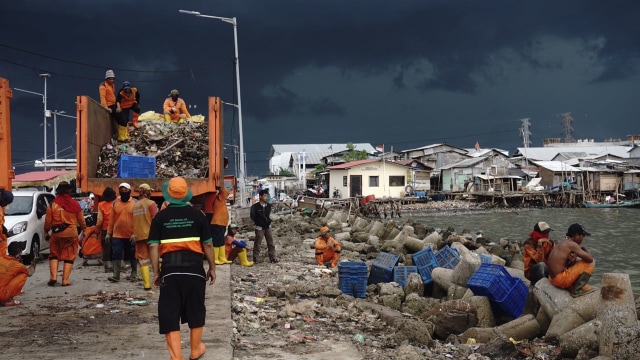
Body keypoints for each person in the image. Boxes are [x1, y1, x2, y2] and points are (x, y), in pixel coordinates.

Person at [148, 176, 215, 360]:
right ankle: (195, 350)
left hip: (170, 270)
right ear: (186, 195)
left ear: (168, 195)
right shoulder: (198, 216)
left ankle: (176, 356)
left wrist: (156, 272)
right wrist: (212, 268)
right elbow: (208, 245)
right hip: (194, 269)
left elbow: (153, 246)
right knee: (196, 308)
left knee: (169, 311)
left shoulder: (160, 217)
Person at [44, 181, 87, 286]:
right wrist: (84, 229)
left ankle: (53, 277)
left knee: (54, 254)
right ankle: (65, 280)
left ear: (58, 191)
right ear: (69, 191)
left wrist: (46, 231)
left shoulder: (52, 204)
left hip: (56, 234)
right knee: (69, 256)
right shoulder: (75, 204)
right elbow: (81, 220)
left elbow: (48, 222)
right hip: (71, 234)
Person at [547, 223, 596, 297]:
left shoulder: (562, 243)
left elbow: (563, 265)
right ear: (576, 236)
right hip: (560, 280)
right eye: (582, 236)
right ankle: (577, 290)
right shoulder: (572, 244)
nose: (583, 239)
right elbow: (590, 259)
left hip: (551, 279)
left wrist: (572, 261)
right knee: (591, 263)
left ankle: (572, 286)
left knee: (577, 261)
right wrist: (586, 250)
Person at [105, 183, 136, 283]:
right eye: (121, 190)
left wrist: (136, 233)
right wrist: (108, 233)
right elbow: (111, 220)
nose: (123, 192)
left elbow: (139, 220)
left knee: (132, 254)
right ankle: (116, 275)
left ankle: (134, 273)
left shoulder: (135, 203)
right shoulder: (115, 203)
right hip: (117, 235)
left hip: (131, 235)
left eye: (125, 190)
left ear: (129, 191)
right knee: (116, 253)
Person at [131, 184, 158, 290]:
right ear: (147, 192)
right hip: (151, 235)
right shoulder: (151, 203)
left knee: (143, 260)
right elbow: (155, 220)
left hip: (139, 235)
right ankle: (160, 281)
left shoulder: (135, 205)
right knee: (158, 258)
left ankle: (147, 284)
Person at [0, 241, 36, 306]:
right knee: (23, 274)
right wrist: (33, 264)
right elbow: (29, 273)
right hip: (2, 295)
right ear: (19, 253)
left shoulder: (1, 258)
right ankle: (8, 300)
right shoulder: (18, 265)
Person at [250, 189, 278, 264]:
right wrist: (258, 222)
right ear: (260, 196)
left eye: (267, 196)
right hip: (259, 228)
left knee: (271, 243)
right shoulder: (255, 207)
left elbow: (268, 215)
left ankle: (273, 258)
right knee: (257, 244)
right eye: (265, 196)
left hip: (268, 227)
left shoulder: (268, 206)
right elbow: (253, 216)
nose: (266, 197)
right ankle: (255, 259)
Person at [99, 69, 128, 140]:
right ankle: (121, 137)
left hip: (114, 104)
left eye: (113, 79)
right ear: (107, 79)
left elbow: (112, 95)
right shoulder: (103, 86)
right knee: (122, 119)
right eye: (110, 79)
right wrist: (106, 107)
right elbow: (102, 97)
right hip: (109, 106)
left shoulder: (112, 86)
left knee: (125, 118)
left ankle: (124, 136)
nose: (112, 80)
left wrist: (118, 106)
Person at [96, 187, 117, 272]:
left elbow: (100, 220)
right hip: (116, 229)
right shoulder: (117, 203)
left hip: (105, 229)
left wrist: (97, 230)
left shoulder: (101, 205)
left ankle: (107, 267)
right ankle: (118, 266)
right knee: (116, 247)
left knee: (106, 248)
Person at [210, 186, 231, 265]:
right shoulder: (219, 199)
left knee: (221, 241)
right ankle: (215, 258)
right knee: (217, 241)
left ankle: (221, 257)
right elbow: (225, 192)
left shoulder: (221, 200)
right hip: (217, 223)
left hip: (221, 223)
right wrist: (220, 186)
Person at [0, 189, 14, 255]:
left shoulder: (1, 208)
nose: (6, 205)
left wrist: (5, 231)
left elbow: (0, 223)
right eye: (6, 203)